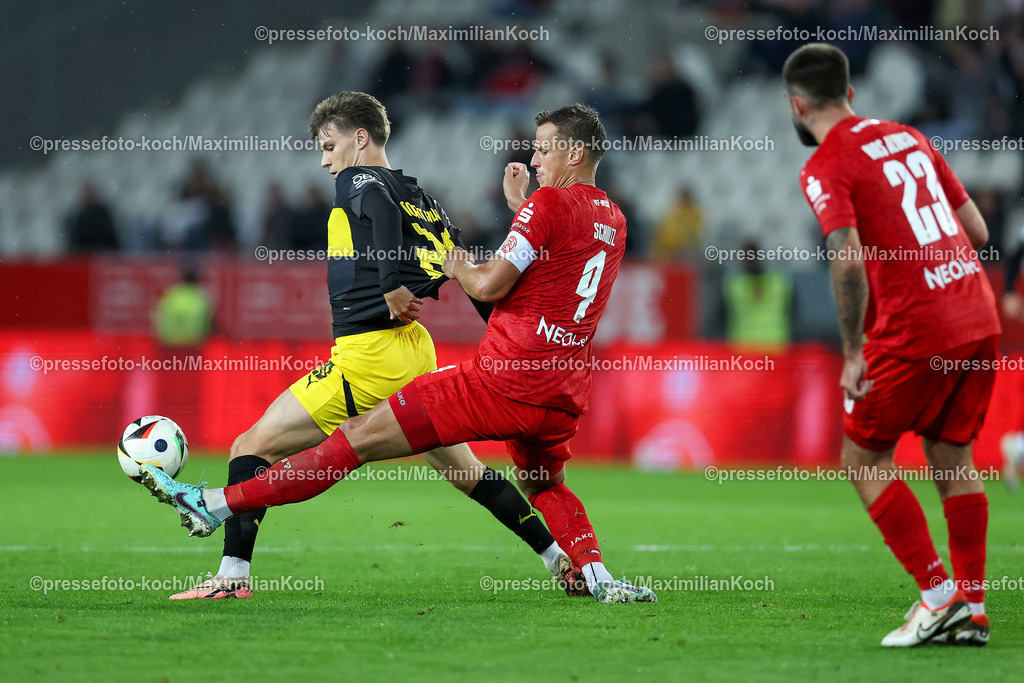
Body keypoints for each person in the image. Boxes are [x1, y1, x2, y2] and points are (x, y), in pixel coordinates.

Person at [138, 103, 657, 605]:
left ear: (359, 138)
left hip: (400, 358)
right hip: (548, 386)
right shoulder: (605, 218)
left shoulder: (362, 180)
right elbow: (552, 254)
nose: (325, 160)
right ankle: (578, 567)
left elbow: (487, 279)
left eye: (329, 146)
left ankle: (218, 526)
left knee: (280, 443)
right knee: (499, 477)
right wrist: (517, 219)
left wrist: (406, 280)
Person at [786, 44, 999, 647]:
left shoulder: (826, 164)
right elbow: (978, 230)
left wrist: (853, 351)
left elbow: (847, 259)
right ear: (850, 94)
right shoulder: (910, 136)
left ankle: (938, 597)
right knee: (953, 456)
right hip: (976, 313)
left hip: (917, 328)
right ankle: (973, 608)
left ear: (797, 106)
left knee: (863, 459)